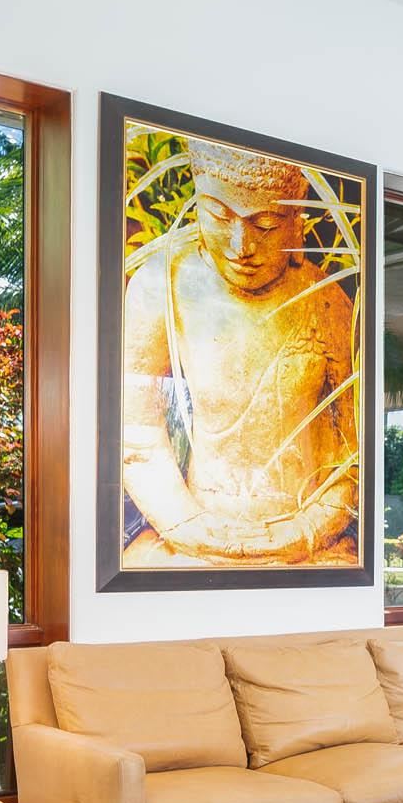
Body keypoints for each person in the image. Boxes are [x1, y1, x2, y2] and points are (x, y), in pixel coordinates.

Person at [118, 136, 360, 567]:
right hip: (194, 530)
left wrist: (303, 530)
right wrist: (188, 526)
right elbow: (137, 436)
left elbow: (347, 454)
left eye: (265, 225)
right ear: (198, 208)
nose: (240, 246)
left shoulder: (325, 301)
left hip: (302, 541)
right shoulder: (163, 286)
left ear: (295, 223)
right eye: (219, 216)